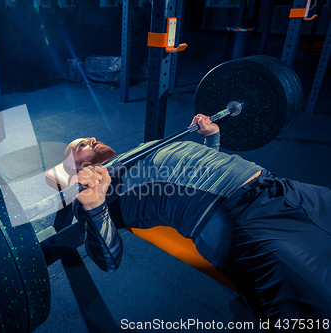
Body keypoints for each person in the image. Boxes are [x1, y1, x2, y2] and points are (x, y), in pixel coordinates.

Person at [63, 114, 331, 332]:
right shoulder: (95, 192)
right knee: (315, 313)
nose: (90, 139)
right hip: (246, 219)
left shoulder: (140, 150)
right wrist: (93, 204)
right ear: (75, 169)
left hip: (281, 187)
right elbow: (108, 261)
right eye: (79, 146)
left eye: (87, 138)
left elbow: (197, 170)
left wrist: (212, 137)